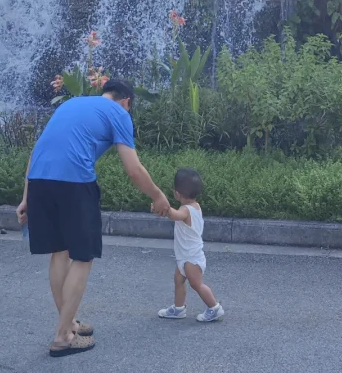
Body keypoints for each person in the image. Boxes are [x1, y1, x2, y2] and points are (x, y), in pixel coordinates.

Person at [17, 78, 170, 357]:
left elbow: (38, 149)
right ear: (127, 101)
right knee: (83, 256)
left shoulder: (71, 104)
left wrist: (26, 196)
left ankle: (68, 324)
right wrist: (158, 196)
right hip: (74, 182)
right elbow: (133, 169)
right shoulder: (119, 113)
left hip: (39, 180)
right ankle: (63, 337)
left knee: (59, 251)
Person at [157, 167, 224, 323]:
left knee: (196, 284)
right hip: (185, 255)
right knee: (178, 280)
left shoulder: (186, 210)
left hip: (191, 257)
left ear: (177, 193)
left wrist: (164, 208)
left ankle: (214, 308)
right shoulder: (195, 206)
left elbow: (176, 215)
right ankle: (178, 308)